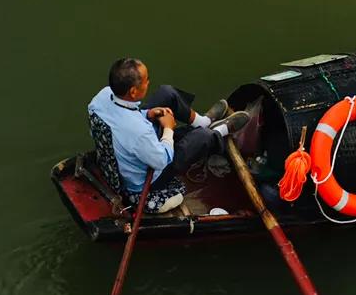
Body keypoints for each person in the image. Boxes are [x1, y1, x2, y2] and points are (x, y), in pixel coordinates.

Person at [87, 58, 249, 213]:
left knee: (167, 93)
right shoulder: (138, 131)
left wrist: (147, 114)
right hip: (146, 178)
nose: (148, 82)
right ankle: (219, 131)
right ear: (133, 91)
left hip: (131, 140)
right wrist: (168, 128)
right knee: (203, 137)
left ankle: (203, 121)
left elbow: (124, 119)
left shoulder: (102, 97)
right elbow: (161, 160)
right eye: (146, 80)